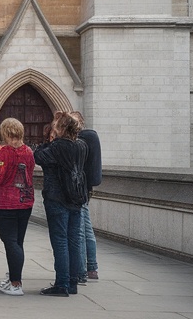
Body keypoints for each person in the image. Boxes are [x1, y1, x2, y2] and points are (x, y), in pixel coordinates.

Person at [33, 111, 88, 297]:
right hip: (76, 198)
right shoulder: (81, 146)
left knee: (60, 242)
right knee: (73, 241)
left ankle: (62, 284)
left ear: (61, 128)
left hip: (57, 198)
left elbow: (38, 156)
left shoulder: (57, 147)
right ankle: (73, 282)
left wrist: (50, 141)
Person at [0, 117, 36, 296]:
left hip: (7, 203)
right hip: (25, 202)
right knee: (18, 242)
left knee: (10, 242)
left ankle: (15, 283)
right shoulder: (28, 151)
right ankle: (13, 275)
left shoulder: (3, 153)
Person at [73, 112, 102, 283]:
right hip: (86, 188)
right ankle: (92, 267)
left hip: (79, 190)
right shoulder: (92, 137)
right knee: (87, 229)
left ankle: (83, 270)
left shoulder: (81, 140)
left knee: (82, 230)